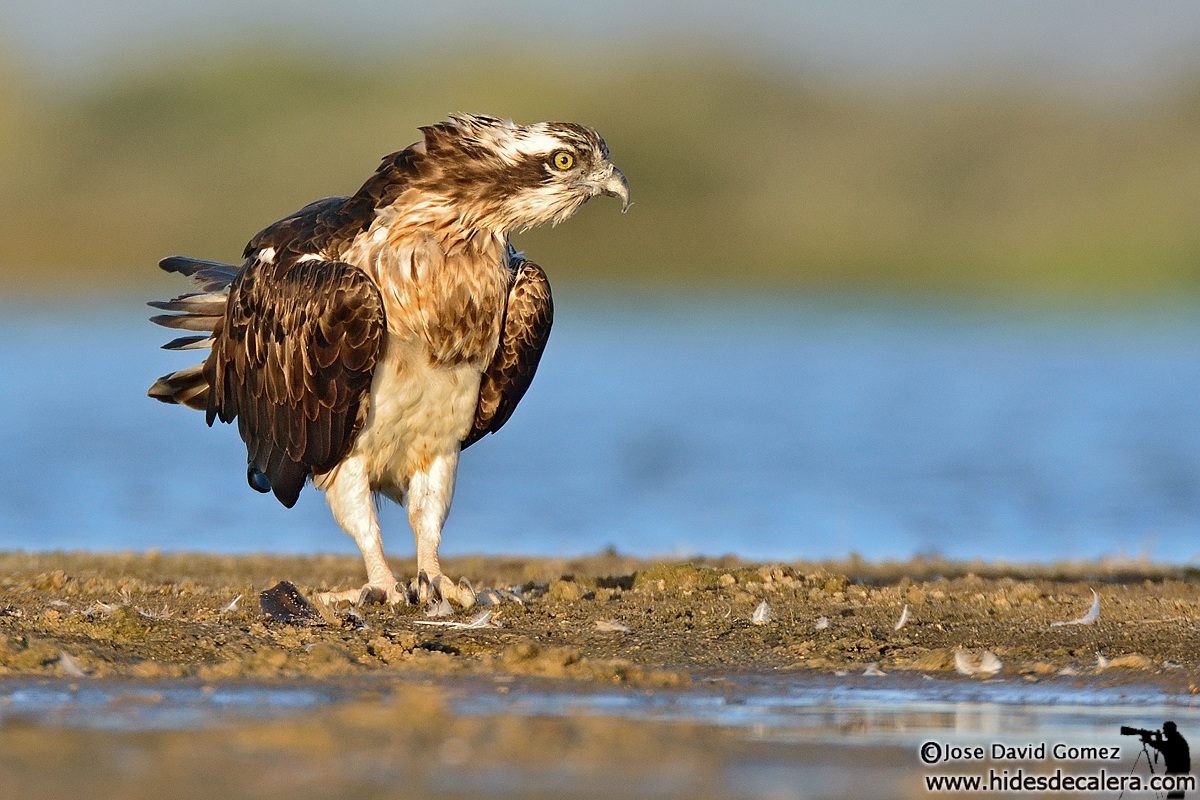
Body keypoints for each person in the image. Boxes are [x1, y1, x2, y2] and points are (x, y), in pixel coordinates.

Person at [1146, 721, 1191, 799]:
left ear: (1169, 730)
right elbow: (1164, 747)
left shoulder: (1176, 741)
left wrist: (1151, 741)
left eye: (1165, 730)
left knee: (1174, 796)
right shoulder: (1177, 739)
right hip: (1180, 773)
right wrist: (1156, 741)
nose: (1164, 733)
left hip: (1177, 773)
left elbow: (1165, 748)